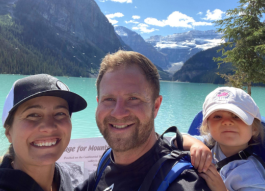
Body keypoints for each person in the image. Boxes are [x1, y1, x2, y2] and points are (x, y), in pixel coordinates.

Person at [75, 50, 210, 191]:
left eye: (133, 99)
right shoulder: (108, 159)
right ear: (98, 103)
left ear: (156, 106)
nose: (119, 113)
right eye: (108, 99)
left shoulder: (181, 182)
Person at [0, 74, 87, 191]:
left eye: (60, 113)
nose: (49, 127)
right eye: (33, 115)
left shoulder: (69, 178)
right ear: (8, 133)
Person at [176, 87, 265, 191]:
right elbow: (175, 139)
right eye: (217, 116)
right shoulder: (208, 143)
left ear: (254, 128)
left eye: (236, 116)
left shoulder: (252, 175)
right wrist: (194, 144)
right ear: (208, 126)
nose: (226, 122)